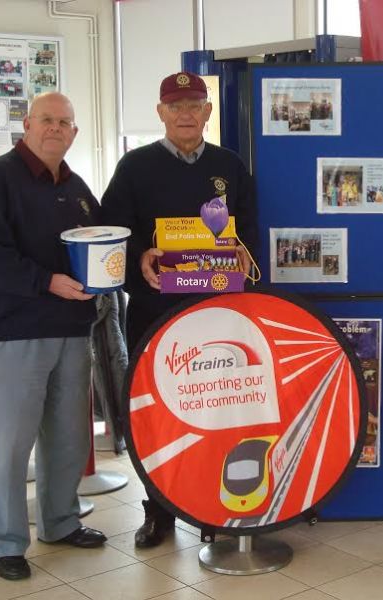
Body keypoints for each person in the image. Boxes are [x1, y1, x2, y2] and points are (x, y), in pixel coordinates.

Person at [0, 92, 107, 581]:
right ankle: (4, 543)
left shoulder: (78, 187)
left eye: (65, 121)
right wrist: (46, 282)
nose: (56, 129)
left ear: (74, 132)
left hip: (71, 329)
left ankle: (60, 523)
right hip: (13, 332)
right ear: (27, 124)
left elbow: (102, 245)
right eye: (47, 119)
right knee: (7, 442)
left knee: (67, 437)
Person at [101, 72, 256, 549]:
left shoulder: (230, 166)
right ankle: (159, 512)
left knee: (215, 411)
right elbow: (112, 236)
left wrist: (245, 259)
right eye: (176, 105)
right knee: (156, 417)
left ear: (209, 111)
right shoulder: (135, 167)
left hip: (216, 316)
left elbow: (249, 233)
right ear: (160, 112)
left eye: (195, 104)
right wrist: (139, 257)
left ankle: (211, 509)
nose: (186, 113)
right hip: (154, 313)